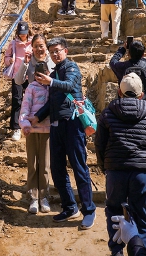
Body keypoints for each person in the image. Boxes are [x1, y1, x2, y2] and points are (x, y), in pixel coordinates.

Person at [95, 72, 146, 256]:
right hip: (142, 172)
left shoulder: (108, 112)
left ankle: (117, 251)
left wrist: (105, 167)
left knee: (114, 212)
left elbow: (100, 144)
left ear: (119, 91)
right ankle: (142, 251)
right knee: (141, 218)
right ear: (141, 94)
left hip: (115, 171)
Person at [32, 37, 96, 229]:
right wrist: (37, 116)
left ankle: (89, 210)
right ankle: (70, 207)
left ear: (66, 51)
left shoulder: (72, 68)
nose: (55, 54)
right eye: (52, 52)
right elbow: (52, 103)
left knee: (79, 167)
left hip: (73, 123)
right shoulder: (54, 72)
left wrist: (51, 81)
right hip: (56, 125)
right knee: (57, 169)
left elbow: (69, 86)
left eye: (58, 50)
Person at [19, 60, 52, 214]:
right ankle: (33, 197)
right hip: (32, 130)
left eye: (43, 74)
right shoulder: (31, 88)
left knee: (45, 166)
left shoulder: (52, 88)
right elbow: (25, 107)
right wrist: (25, 124)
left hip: (47, 131)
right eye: (37, 75)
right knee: (32, 164)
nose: (40, 77)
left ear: (48, 73)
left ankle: (44, 196)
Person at [4, 21, 33, 141]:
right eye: (21, 33)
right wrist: (10, 60)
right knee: (17, 100)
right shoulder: (13, 43)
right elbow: (6, 57)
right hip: (17, 74)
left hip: (30, 75)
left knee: (32, 99)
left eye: (24, 33)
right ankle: (16, 128)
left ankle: (31, 123)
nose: (23, 35)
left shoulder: (33, 42)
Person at [110, 40, 146, 107]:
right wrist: (140, 56)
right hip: (143, 103)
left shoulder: (122, 67)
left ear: (128, 54)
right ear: (143, 55)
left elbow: (113, 62)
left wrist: (122, 50)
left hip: (123, 104)